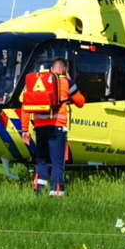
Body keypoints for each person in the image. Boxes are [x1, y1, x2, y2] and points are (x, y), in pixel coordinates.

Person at [20, 57, 85, 197]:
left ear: (51, 69)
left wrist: (24, 129)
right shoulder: (66, 82)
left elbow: (25, 106)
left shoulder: (34, 83)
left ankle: (38, 190)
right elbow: (81, 102)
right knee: (57, 162)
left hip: (40, 128)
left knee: (42, 159)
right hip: (57, 128)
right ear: (64, 69)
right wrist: (69, 83)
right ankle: (55, 193)